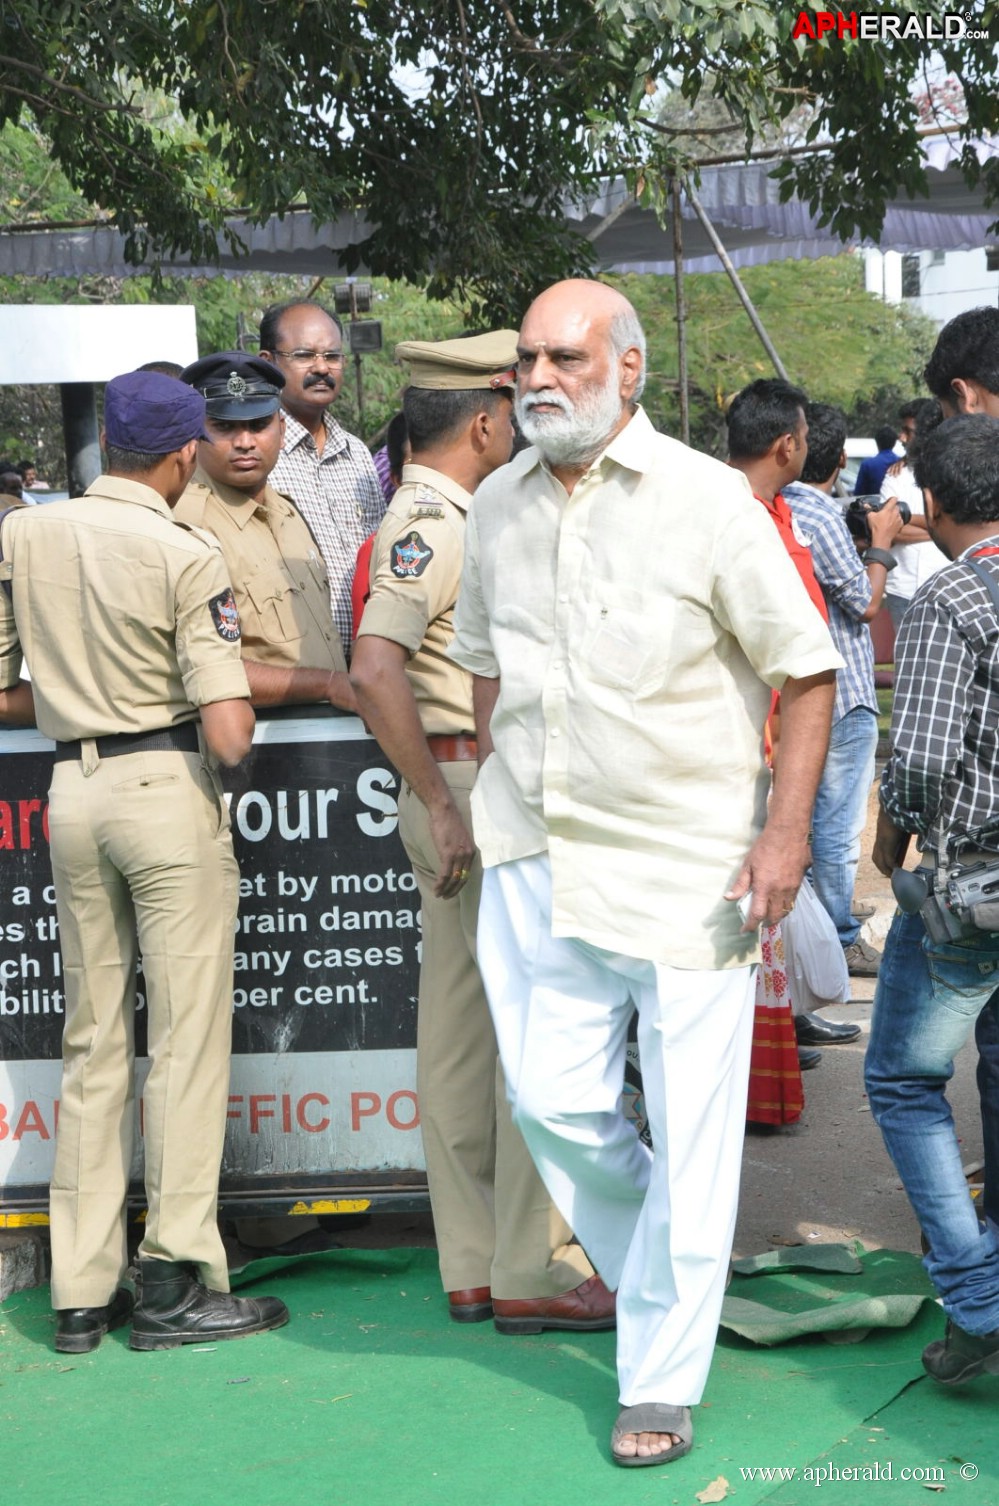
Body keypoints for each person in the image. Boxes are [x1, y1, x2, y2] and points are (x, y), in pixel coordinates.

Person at [450, 279, 841, 1465]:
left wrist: (783, 841)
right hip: (535, 850)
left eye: (566, 357)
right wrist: (482, 786)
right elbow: (481, 667)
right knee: (555, 1104)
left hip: (686, 863)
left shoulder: (712, 502)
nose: (539, 379)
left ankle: (660, 1372)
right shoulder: (496, 505)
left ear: (628, 369)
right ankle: (660, 1267)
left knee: (698, 1120)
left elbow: (808, 673)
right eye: (527, 359)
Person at [0, 371, 289, 1353]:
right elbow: (231, 731)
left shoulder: (25, 534)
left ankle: (79, 1293)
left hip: (70, 791)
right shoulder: (183, 550)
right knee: (185, 1045)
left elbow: (4, 691)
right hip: (164, 789)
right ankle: (171, 1279)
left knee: (92, 1045)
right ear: (180, 456)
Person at [350, 332, 608, 1331]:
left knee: (459, 1036)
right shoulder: (439, 521)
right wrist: (449, 803)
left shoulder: (424, 512)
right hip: (468, 785)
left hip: (452, 787)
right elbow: (377, 668)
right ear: (489, 420)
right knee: (528, 1034)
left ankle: (474, 1262)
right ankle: (530, 1268)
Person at [866, 413, 999, 1385]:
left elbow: (916, 761)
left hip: (969, 891)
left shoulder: (951, 599)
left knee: (904, 1082)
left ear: (933, 504)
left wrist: (885, 844)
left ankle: (977, 1297)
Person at [726, 380, 860, 1060]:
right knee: (757, 893)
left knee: (778, 890)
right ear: (786, 445)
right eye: (804, 440)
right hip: (751, 742)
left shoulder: (773, 512)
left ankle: (781, 1027)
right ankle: (756, 1048)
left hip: (784, 735)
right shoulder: (730, 518)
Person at [784, 402, 903, 978]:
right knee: (837, 826)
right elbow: (865, 602)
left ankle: (817, 925)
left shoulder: (776, 505)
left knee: (801, 820)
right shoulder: (823, 515)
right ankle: (840, 938)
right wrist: (879, 542)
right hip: (844, 684)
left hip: (791, 691)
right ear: (835, 459)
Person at [175, 351, 355, 716]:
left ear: (282, 429)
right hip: (256, 747)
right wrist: (330, 685)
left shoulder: (287, 511)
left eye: (258, 425)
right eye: (224, 427)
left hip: (323, 743)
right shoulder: (189, 525)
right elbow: (205, 671)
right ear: (195, 431)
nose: (245, 441)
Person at [259, 300, 385, 651]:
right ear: (268, 363)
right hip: (297, 664)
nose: (321, 368)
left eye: (332, 356)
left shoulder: (357, 453)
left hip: (364, 661)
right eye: (304, 356)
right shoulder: (257, 455)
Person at [880, 398, 946, 628]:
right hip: (903, 589)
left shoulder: (950, 472)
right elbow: (889, 528)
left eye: (909, 431)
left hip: (944, 586)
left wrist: (906, 520)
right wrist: (942, 529)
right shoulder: (895, 475)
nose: (902, 437)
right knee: (908, 661)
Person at [853, 425, 899, 496]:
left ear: (877, 442)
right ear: (894, 443)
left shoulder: (867, 464)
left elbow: (858, 494)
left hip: (873, 506)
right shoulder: (901, 464)